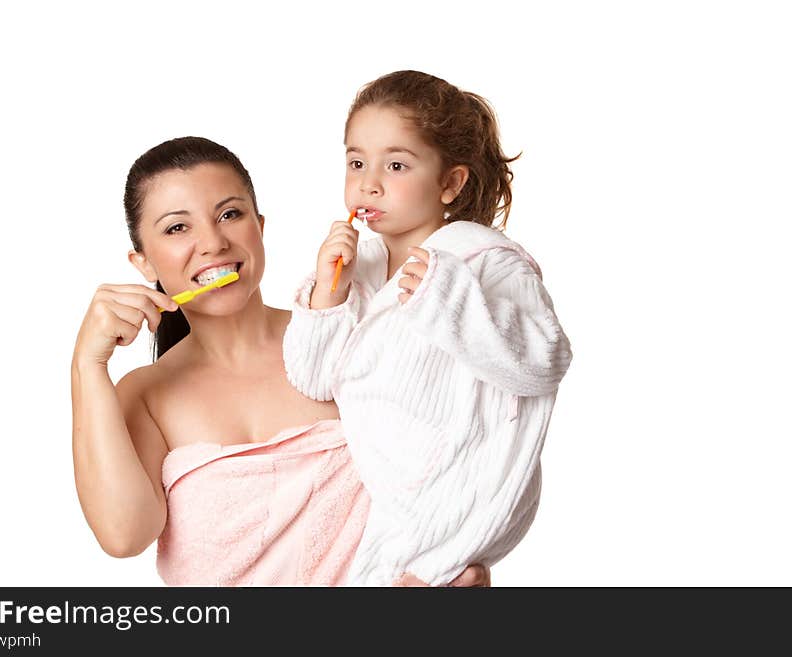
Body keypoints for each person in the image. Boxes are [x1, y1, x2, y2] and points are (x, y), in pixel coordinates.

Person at [71, 136, 490, 586]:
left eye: (230, 214)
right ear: (144, 262)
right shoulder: (144, 395)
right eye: (177, 228)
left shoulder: (345, 337)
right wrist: (86, 366)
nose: (212, 242)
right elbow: (124, 535)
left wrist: (455, 564)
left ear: (260, 227)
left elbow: (455, 462)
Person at [283, 71, 573, 586]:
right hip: (388, 506)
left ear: (450, 183)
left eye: (396, 165)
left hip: (463, 495)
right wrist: (329, 294)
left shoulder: (485, 261)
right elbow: (312, 380)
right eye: (356, 162)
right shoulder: (359, 269)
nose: (368, 182)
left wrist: (450, 300)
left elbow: (545, 361)